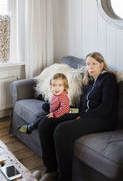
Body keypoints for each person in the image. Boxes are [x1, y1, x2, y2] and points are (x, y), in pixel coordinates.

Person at [39, 52, 118, 181]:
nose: (90, 67)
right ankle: (51, 171)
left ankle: (64, 178)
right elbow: (83, 106)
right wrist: (68, 111)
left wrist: (83, 116)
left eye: (94, 64)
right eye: (88, 64)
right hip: (84, 112)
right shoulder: (89, 81)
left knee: (62, 130)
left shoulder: (108, 79)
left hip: (103, 119)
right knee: (45, 122)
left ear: (101, 65)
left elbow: (106, 107)